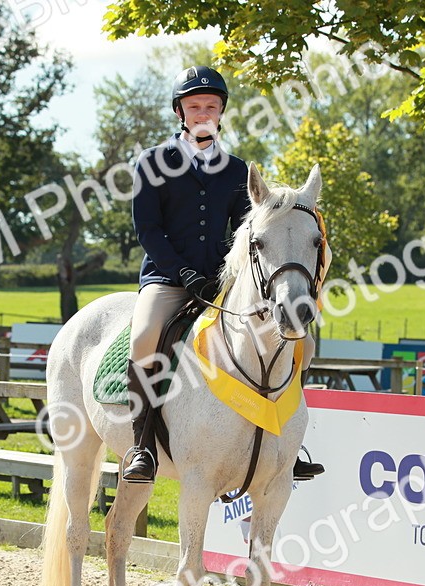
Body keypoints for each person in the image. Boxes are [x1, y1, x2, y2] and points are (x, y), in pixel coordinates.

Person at [125, 65, 322, 483]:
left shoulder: (236, 171)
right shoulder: (152, 162)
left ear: (221, 111)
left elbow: (245, 233)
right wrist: (182, 272)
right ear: (180, 111)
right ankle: (142, 446)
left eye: (211, 106)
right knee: (144, 336)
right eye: (195, 106)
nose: (203, 112)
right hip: (167, 278)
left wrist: (230, 277)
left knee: (300, 342)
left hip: (221, 282)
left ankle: (288, 443)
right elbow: (148, 230)